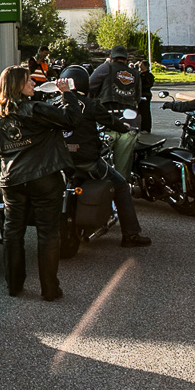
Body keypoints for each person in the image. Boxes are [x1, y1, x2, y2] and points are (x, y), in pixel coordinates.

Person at [0, 68, 81, 301]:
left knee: (12, 231)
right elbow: (72, 120)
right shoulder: (35, 109)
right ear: (17, 85)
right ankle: (50, 289)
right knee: (47, 233)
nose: (32, 83)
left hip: (11, 180)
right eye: (28, 80)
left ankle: (14, 285)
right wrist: (67, 93)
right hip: (44, 177)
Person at [58, 65, 150, 247]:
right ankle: (130, 235)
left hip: (60, 161)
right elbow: (111, 122)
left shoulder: (54, 104)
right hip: (87, 162)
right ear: (84, 83)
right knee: (121, 185)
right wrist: (124, 127)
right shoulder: (90, 104)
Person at [88, 46, 141, 179]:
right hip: (129, 124)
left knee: (101, 165)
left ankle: (102, 188)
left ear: (111, 57)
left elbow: (88, 87)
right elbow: (138, 98)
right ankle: (122, 189)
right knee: (122, 169)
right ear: (126, 58)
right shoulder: (135, 73)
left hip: (107, 123)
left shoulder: (105, 68)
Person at [137, 60, 156, 133]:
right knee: (139, 111)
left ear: (146, 66)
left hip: (145, 95)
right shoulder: (139, 74)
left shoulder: (148, 76)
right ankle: (140, 127)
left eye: (141, 65)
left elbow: (148, 85)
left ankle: (146, 128)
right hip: (139, 95)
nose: (140, 66)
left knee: (145, 112)